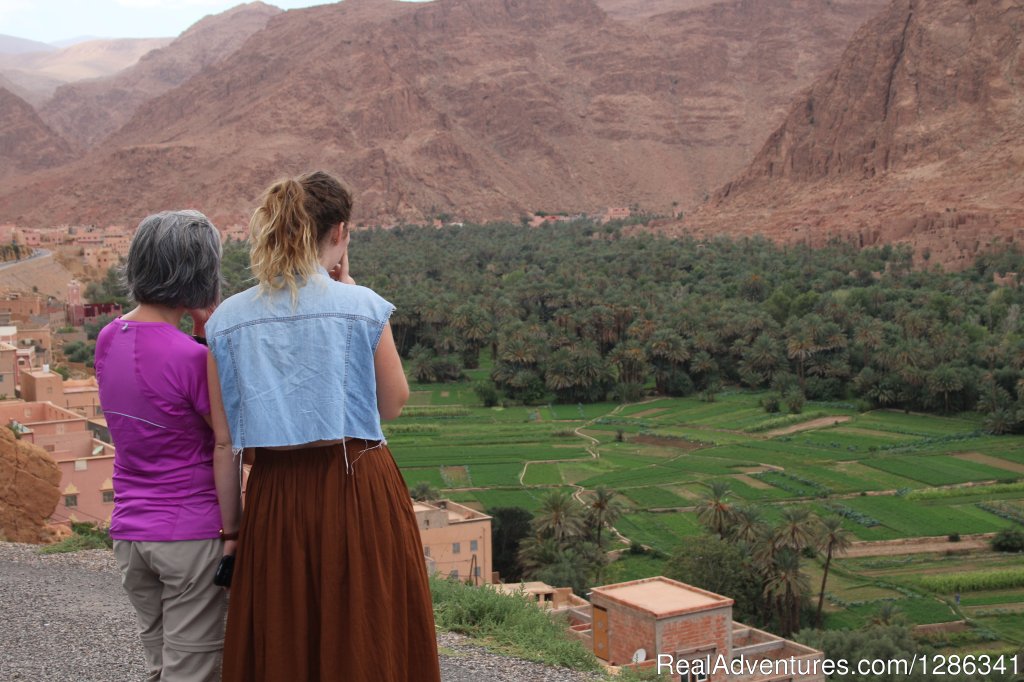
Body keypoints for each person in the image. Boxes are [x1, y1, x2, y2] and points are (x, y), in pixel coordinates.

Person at [206, 171, 440, 682]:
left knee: (287, 631)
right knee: (365, 630)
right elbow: (393, 403)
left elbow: (224, 442)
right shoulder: (361, 308)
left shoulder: (227, 319)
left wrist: (233, 533)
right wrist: (350, 288)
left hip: (275, 495)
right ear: (339, 233)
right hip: (356, 486)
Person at [94, 210, 241, 682]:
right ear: (203, 274)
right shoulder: (195, 358)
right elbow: (225, 442)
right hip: (190, 538)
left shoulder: (106, 339)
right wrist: (233, 534)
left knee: (161, 667)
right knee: (193, 670)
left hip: (131, 536)